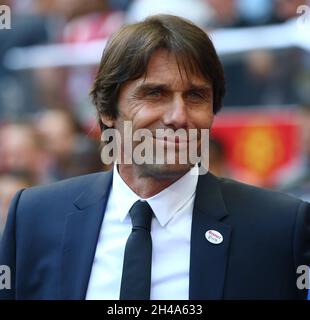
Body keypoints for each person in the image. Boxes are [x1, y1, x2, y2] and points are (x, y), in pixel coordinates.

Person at [0, 14, 309, 300]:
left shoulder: (278, 229)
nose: (178, 116)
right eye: (154, 93)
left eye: (196, 96)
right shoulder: (34, 218)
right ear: (108, 111)